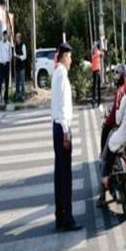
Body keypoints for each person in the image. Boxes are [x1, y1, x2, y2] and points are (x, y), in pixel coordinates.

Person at [98, 70, 126, 207]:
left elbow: (116, 120)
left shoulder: (124, 98)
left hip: (122, 136)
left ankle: (103, 189)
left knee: (106, 156)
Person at [51, 42, 82, 231]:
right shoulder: (62, 74)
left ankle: (59, 215)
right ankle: (67, 218)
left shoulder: (57, 73)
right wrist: (66, 132)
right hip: (62, 128)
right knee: (66, 176)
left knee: (59, 174)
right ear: (64, 56)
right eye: (69, 57)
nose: (71, 61)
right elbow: (63, 106)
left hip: (56, 126)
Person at [101, 64, 126, 151]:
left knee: (105, 129)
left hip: (121, 124)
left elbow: (114, 114)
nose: (116, 77)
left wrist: (107, 121)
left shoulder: (120, 91)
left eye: (117, 74)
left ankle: (104, 155)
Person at [0, 30, 12, 107]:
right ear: (3, 36)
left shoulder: (9, 44)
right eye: (5, 35)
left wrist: (8, 61)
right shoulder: (0, 43)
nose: (6, 37)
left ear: (7, 36)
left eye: (7, 36)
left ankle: (6, 99)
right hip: (1, 65)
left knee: (7, 83)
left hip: (7, 65)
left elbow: (10, 54)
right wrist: (0, 61)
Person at [14, 32, 27, 102]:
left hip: (22, 66)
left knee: (22, 82)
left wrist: (19, 57)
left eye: (17, 37)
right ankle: (17, 95)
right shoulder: (15, 45)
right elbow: (14, 53)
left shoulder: (23, 45)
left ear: (19, 38)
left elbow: (25, 56)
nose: (16, 38)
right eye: (16, 37)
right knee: (17, 82)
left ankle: (23, 96)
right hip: (17, 66)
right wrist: (15, 55)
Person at [91, 42, 103, 108]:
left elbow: (101, 55)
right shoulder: (96, 52)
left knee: (95, 87)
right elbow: (102, 54)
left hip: (95, 71)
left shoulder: (93, 52)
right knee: (97, 87)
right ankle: (98, 101)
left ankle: (95, 101)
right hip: (96, 71)